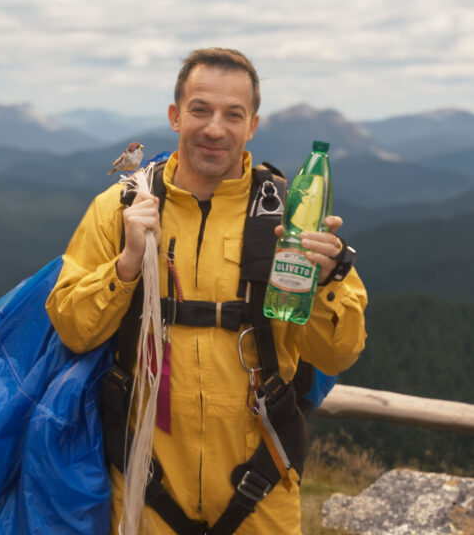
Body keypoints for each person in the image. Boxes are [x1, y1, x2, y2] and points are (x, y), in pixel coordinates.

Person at [45, 48, 367, 534]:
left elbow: (338, 353)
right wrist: (127, 265)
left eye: (233, 114)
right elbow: (72, 327)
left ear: (252, 125)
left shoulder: (293, 217)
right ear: (175, 116)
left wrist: (325, 283)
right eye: (200, 110)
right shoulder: (121, 208)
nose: (215, 128)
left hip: (261, 498)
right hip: (145, 497)